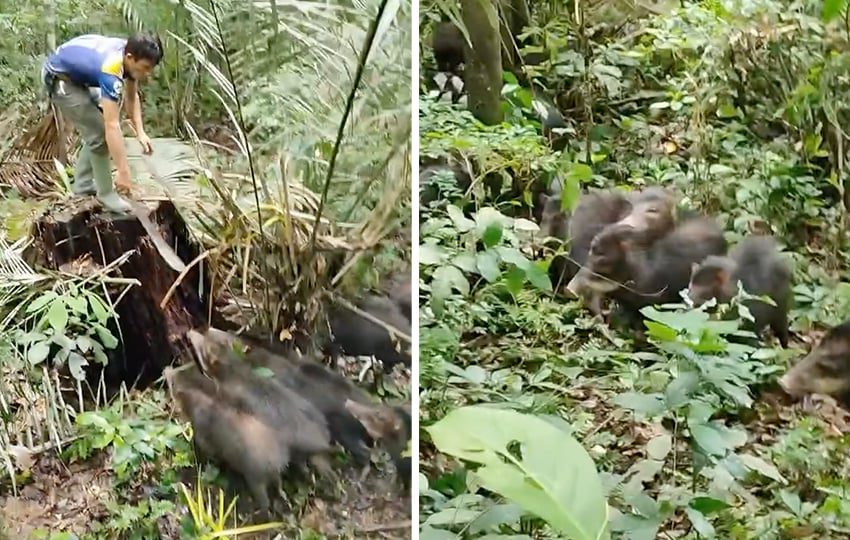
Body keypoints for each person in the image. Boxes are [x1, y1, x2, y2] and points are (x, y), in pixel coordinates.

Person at [42, 34, 163, 213]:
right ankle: (106, 194)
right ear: (130, 58)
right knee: (99, 133)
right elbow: (112, 125)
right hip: (60, 80)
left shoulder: (129, 53)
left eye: (150, 69)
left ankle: (82, 185)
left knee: (96, 130)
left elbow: (131, 96)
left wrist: (140, 132)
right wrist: (123, 172)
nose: (147, 73)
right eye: (145, 67)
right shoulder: (111, 69)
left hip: (78, 76)